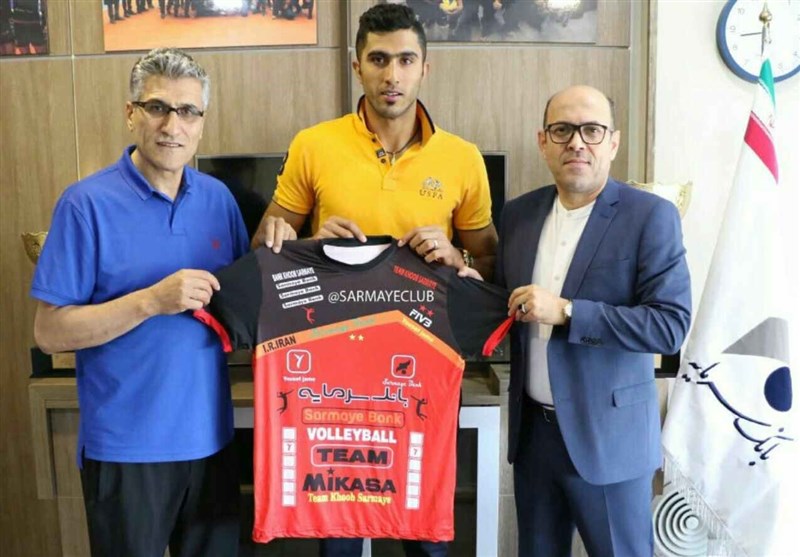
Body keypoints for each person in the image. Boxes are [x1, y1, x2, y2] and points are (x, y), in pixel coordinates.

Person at [253, 4, 497, 555]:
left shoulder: (462, 158)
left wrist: (457, 256)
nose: (392, 75)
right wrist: (309, 244)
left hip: (421, 368)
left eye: (406, 60)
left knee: (424, 526)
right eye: (379, 59)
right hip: (332, 373)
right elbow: (264, 248)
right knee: (338, 535)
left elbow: (488, 264)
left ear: (425, 68)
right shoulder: (314, 144)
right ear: (356, 66)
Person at [30, 47, 249, 557]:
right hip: (126, 451)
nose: (173, 125)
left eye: (188, 111)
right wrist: (150, 301)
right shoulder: (85, 204)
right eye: (157, 108)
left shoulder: (218, 200)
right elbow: (50, 332)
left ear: (202, 123)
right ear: (131, 114)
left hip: (212, 443)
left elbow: (244, 302)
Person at [495, 85, 691, 556]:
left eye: (592, 130)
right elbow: (503, 300)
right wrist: (452, 266)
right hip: (534, 439)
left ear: (613, 142)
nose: (577, 142)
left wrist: (568, 312)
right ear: (543, 141)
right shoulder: (518, 215)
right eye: (562, 130)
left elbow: (669, 326)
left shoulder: (651, 216)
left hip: (610, 441)